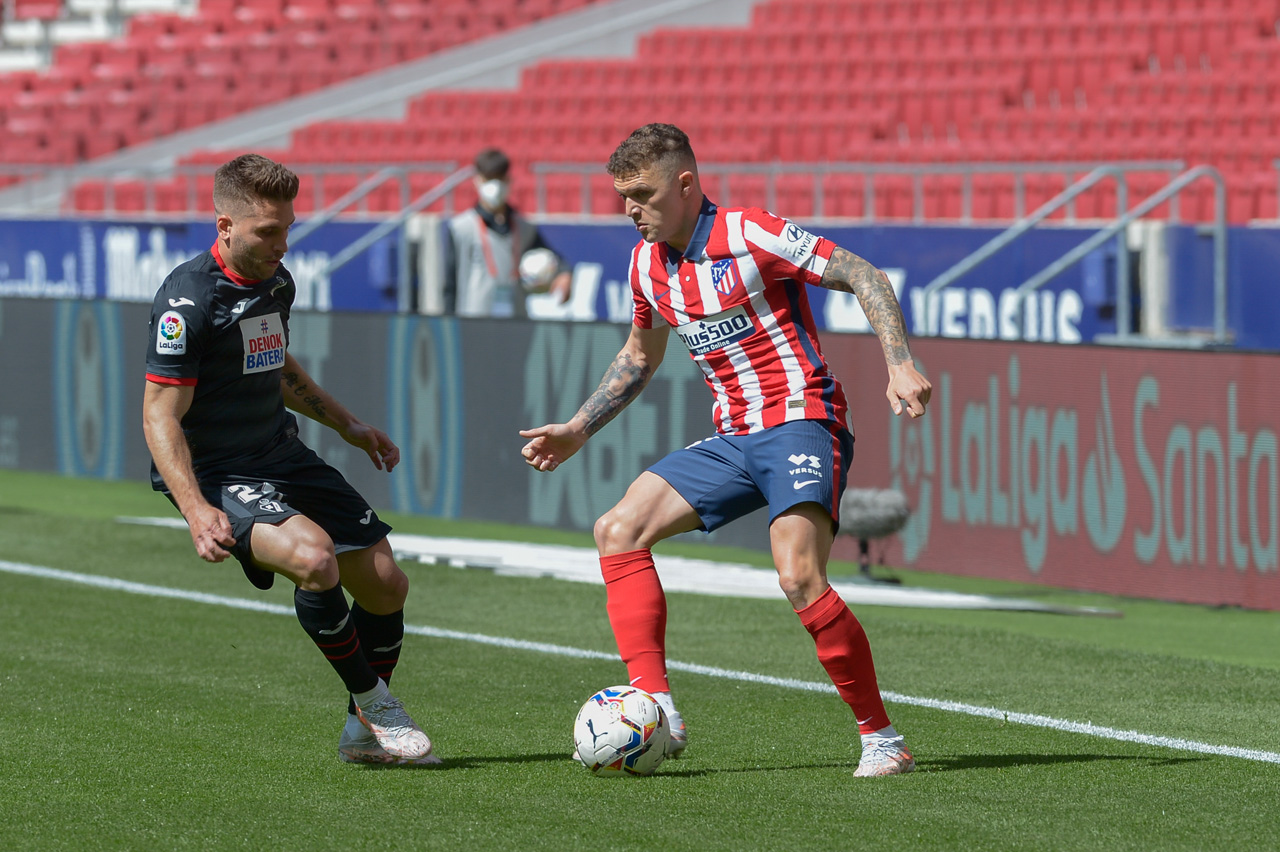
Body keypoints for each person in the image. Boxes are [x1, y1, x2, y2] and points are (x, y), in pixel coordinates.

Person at [520, 124, 931, 777]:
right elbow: (639, 356)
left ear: (685, 184)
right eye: (623, 196)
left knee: (798, 575)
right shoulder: (645, 265)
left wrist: (900, 363)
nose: (631, 209)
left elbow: (862, 273)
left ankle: (882, 739)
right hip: (734, 435)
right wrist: (578, 427)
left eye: (643, 194)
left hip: (801, 419)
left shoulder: (751, 233)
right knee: (617, 530)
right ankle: (656, 707)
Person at [141, 153, 438, 766]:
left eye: (288, 228)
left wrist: (347, 423)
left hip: (279, 452)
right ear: (225, 226)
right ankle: (376, 705)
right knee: (314, 559)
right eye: (267, 231)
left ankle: (361, 736)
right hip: (218, 471)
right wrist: (195, 509)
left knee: (386, 585)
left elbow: (274, 365)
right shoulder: (188, 302)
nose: (282, 244)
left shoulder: (277, 282)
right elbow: (159, 416)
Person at [442, 147, 572, 317]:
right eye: (488, 178)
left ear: (508, 180)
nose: (494, 185)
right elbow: (449, 286)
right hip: (473, 321)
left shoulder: (523, 227)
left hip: (514, 320)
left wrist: (564, 273)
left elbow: (553, 258)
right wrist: (450, 324)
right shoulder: (460, 228)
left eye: (499, 178)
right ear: (477, 181)